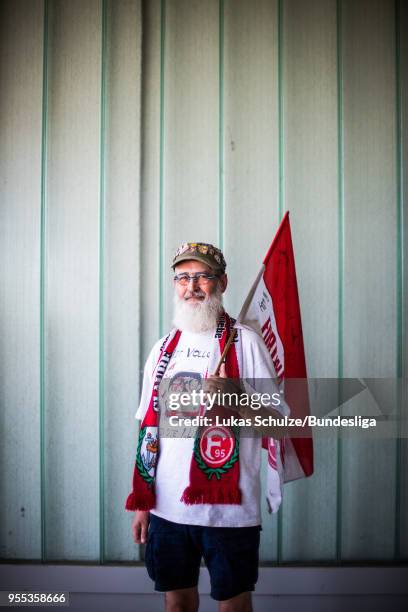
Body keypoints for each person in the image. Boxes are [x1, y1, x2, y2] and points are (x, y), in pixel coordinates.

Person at [126, 242, 288, 612]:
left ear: (222, 283)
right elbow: (147, 429)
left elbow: (281, 425)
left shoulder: (245, 342)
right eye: (183, 277)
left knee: (233, 605)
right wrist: (142, 504)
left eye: (203, 276)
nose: (192, 286)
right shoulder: (164, 347)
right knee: (177, 604)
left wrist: (237, 397)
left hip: (228, 511)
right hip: (167, 509)